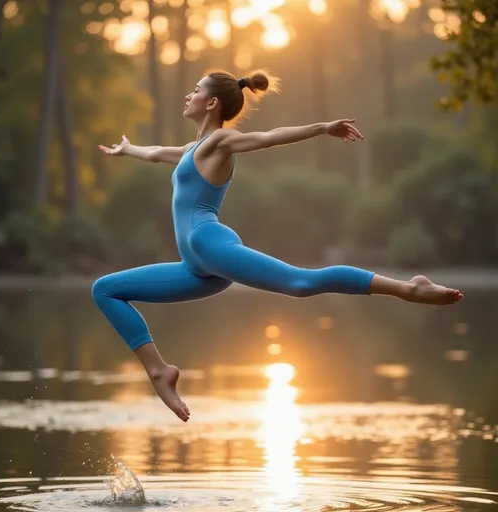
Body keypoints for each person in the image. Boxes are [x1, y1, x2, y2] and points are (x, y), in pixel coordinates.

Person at [94, 69, 463, 423]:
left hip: (209, 243)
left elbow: (269, 136)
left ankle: (408, 288)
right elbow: (159, 153)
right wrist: (129, 150)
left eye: (196, 89)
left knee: (301, 284)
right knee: (106, 290)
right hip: (196, 267)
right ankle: (159, 371)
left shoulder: (221, 142)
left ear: (211, 103)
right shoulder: (195, 148)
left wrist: (322, 128)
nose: (188, 95)